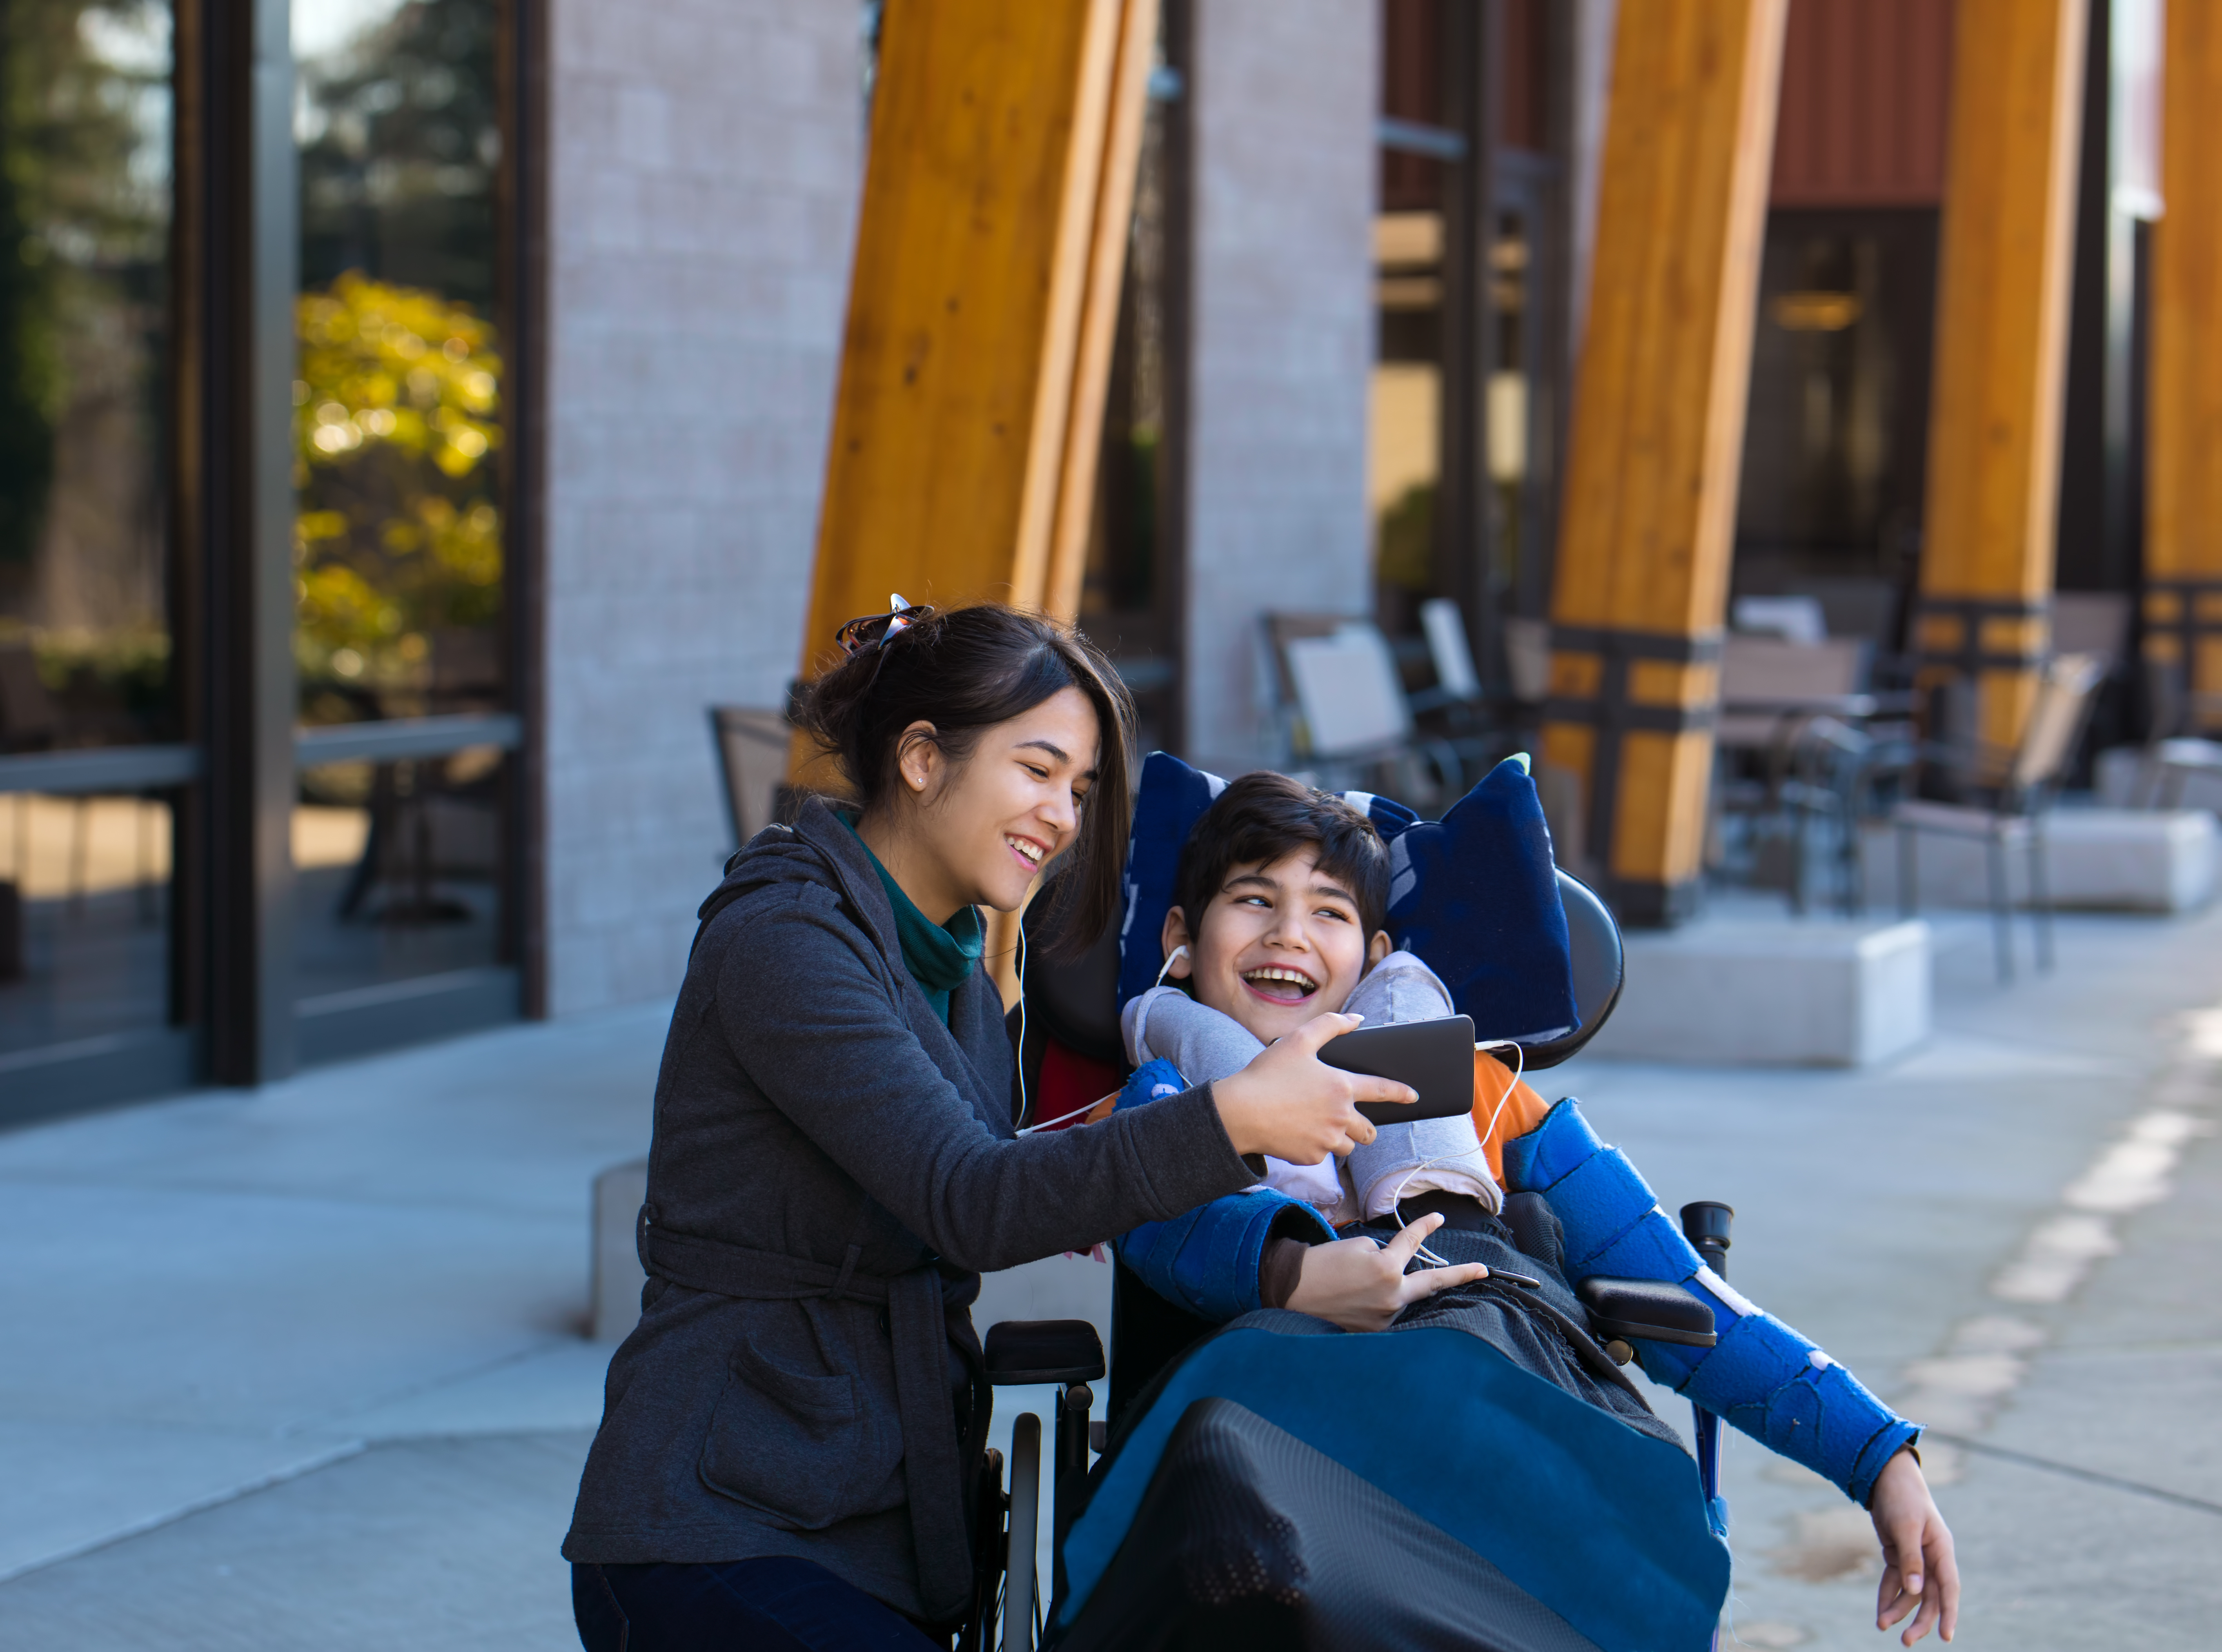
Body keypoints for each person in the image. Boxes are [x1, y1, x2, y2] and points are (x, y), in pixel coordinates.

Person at [561, 601, 1421, 1652]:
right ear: (922, 757)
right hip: (717, 1524)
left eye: (1081, 786)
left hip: (874, 1527)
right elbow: (972, 1197)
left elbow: (1007, 1181)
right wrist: (1233, 1113)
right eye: (1037, 769)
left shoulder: (959, 970)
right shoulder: (784, 941)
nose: (1062, 815)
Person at [1111, 776, 1962, 1648]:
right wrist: (1287, 1270)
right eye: (1252, 899)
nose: (1287, 932)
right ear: (1179, 937)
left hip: (1485, 1448)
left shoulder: (1482, 1098)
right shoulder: (1159, 1107)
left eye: (1325, 911)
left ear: (1373, 956)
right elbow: (1168, 1230)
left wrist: (1878, 1458)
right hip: (1269, 1483)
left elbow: (1681, 1292)